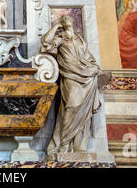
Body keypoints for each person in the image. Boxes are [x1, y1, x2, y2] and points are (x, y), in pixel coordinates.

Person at [41, 15, 101, 154]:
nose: (67, 20)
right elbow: (45, 42)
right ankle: (63, 143)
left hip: (87, 76)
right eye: (64, 19)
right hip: (70, 75)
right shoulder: (61, 37)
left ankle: (77, 146)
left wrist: (93, 67)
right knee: (72, 106)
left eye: (68, 19)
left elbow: (88, 57)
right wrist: (56, 26)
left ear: (73, 22)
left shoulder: (79, 39)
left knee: (83, 112)